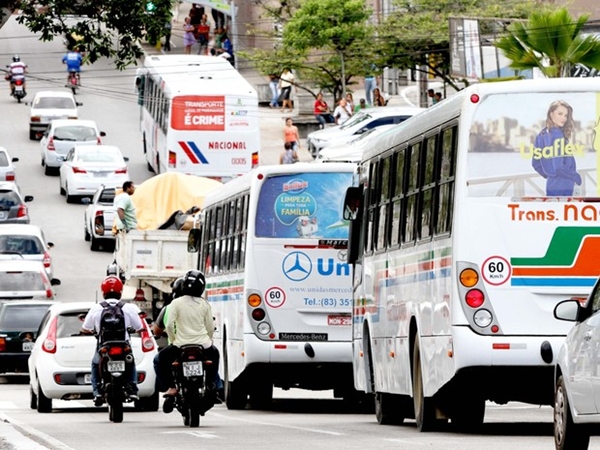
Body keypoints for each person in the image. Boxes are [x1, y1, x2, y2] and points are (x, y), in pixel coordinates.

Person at [156, 270, 220, 410]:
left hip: (180, 345)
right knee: (215, 355)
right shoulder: (204, 304)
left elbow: (168, 325)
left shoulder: (176, 303)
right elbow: (210, 326)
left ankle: (172, 388)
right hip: (203, 345)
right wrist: (208, 341)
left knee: (159, 360)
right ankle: (211, 384)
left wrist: (174, 340)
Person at [80, 276, 145, 406]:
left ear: (103, 292)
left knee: (95, 364)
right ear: (121, 292)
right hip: (124, 345)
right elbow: (139, 327)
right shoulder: (129, 308)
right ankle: (132, 388)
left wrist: (91, 331)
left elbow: (85, 328)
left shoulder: (97, 308)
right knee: (130, 363)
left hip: (104, 346)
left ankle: (97, 392)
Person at [532, 100, 582, 196]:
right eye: (560, 114)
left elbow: (535, 164)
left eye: (566, 115)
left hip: (551, 184)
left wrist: (550, 175)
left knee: (553, 209)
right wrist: (575, 176)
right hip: (565, 184)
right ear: (551, 114)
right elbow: (558, 167)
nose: (563, 118)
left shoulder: (541, 135)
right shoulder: (558, 135)